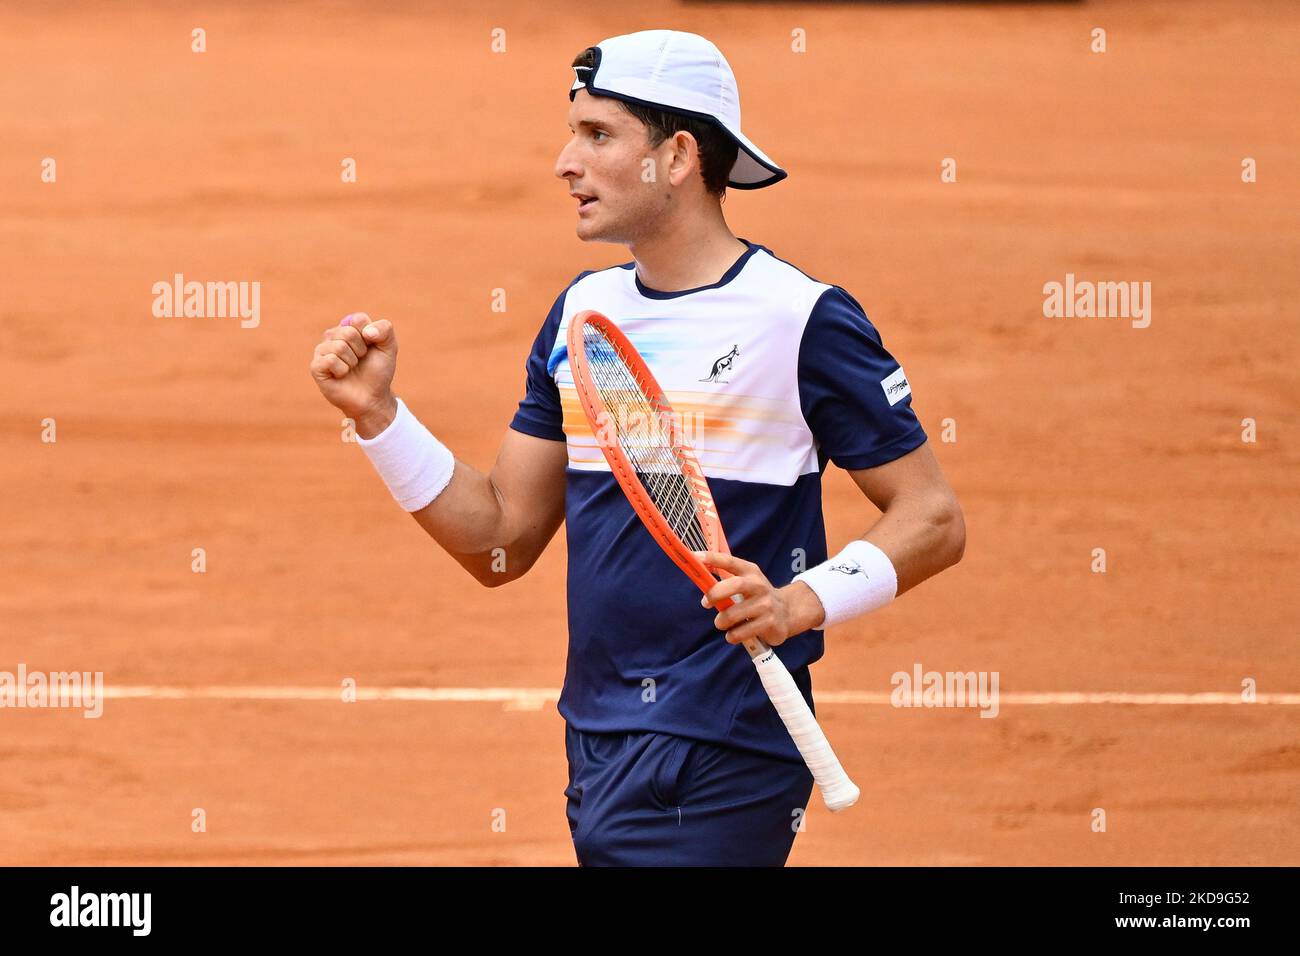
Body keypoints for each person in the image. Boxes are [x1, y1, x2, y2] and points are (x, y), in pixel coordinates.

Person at [309, 29, 965, 866]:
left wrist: (803, 601)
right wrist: (380, 417)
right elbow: (500, 541)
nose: (564, 162)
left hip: (720, 746)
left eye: (598, 135)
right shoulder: (584, 317)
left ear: (679, 154)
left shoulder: (798, 318)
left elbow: (933, 517)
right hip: (596, 739)